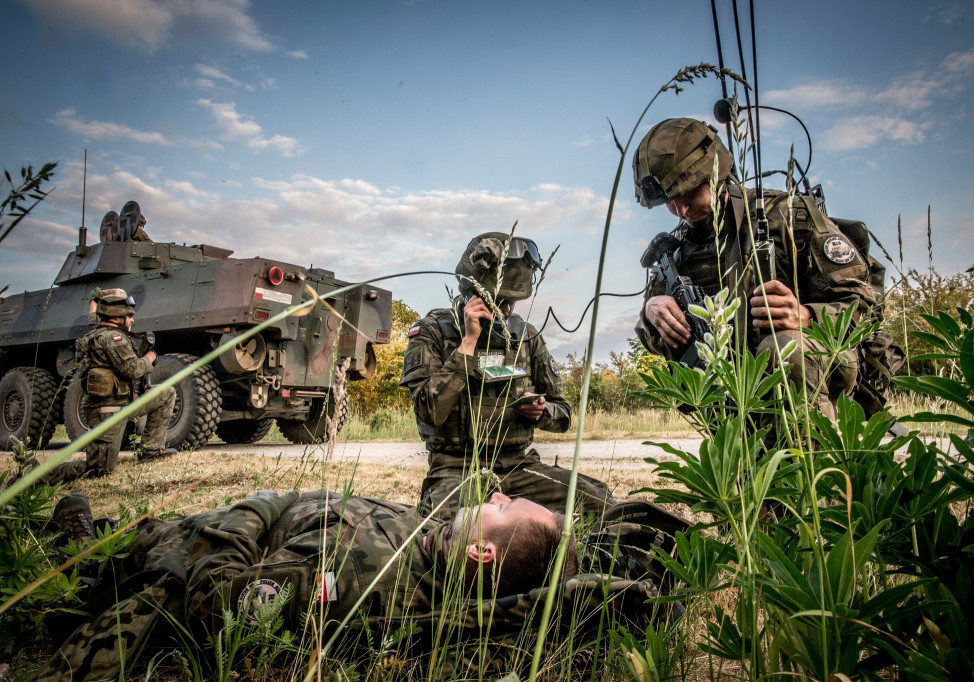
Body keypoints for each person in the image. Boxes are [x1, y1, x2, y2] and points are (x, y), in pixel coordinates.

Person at [35, 489, 577, 681]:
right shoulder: (435, 539)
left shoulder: (357, 576)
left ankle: (81, 554)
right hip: (220, 523)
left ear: (482, 553)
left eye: (505, 508)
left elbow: (214, 598)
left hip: (178, 551)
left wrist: (255, 510)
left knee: (96, 559)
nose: (499, 494)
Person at [632, 118, 877, 420]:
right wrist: (651, 313)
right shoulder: (676, 251)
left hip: (817, 375)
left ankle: (806, 463)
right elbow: (650, 336)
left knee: (784, 350)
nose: (680, 210)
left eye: (688, 191)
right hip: (734, 397)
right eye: (670, 200)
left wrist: (807, 316)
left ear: (715, 172)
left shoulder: (788, 216)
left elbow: (864, 304)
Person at [400, 232, 615, 520]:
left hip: (520, 466)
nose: (508, 309)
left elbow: (563, 414)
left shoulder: (526, 336)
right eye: (500, 301)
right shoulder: (432, 332)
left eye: (513, 302)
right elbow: (430, 411)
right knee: (449, 531)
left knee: (601, 503)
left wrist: (540, 411)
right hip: (456, 469)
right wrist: (468, 343)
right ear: (472, 293)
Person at [43, 289, 176, 484]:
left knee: (166, 393)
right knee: (98, 470)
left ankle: (151, 450)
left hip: (124, 403)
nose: (132, 320)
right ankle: (36, 476)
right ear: (116, 318)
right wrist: (151, 356)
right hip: (108, 410)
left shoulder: (98, 331)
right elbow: (133, 369)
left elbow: (94, 318)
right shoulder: (114, 339)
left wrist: (95, 299)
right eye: (128, 316)